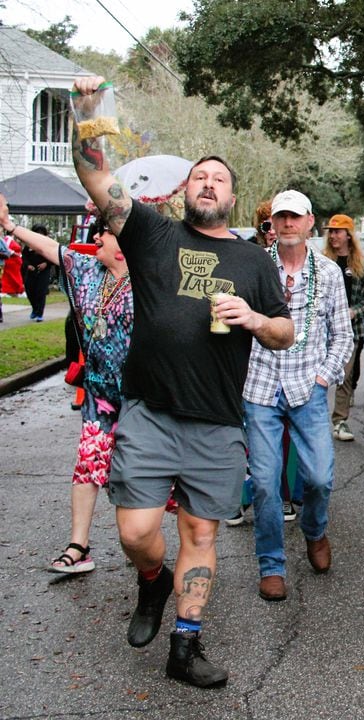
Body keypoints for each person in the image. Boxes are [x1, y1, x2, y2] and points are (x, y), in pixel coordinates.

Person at [70, 75, 294, 689]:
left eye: (219, 178)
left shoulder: (253, 261)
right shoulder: (151, 233)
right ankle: (152, 581)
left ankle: (186, 645)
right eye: (200, 175)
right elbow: (97, 180)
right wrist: (87, 113)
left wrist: (253, 317)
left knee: (200, 531)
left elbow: (284, 332)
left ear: (232, 196)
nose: (208, 182)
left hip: (217, 421)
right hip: (150, 411)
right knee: (137, 532)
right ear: (184, 189)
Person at [2, 203, 131, 574]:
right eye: (112, 234)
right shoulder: (84, 271)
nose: (119, 242)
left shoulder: (150, 277)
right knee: (88, 465)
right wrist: (10, 226)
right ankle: (79, 546)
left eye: (125, 235)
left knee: (147, 477)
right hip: (99, 396)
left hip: (144, 399)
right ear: (98, 239)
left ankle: (152, 549)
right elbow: (46, 246)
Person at [244, 191, 354, 602]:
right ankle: (271, 564)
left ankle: (315, 530)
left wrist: (324, 378)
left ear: (310, 222)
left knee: (319, 477)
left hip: (308, 385)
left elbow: (342, 335)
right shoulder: (255, 268)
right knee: (265, 484)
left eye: (295, 217)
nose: (288, 224)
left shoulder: (327, 273)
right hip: (259, 385)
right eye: (280, 218)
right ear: (271, 225)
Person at [323, 214, 364, 441]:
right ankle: (312, 421)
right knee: (315, 376)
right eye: (331, 231)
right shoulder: (322, 261)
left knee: (344, 377)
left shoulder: (360, 265)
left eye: (338, 231)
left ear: (348, 235)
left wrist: (354, 311)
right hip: (320, 330)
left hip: (350, 331)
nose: (333, 235)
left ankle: (339, 421)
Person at [21, 224, 53, 321]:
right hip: (31, 271)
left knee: (41, 292)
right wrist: (28, 265)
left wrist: (46, 264)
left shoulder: (48, 243)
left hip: (44, 271)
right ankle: (34, 308)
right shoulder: (29, 244)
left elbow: (53, 257)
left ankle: (40, 313)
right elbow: (24, 257)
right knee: (30, 290)